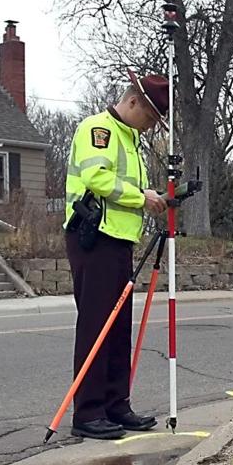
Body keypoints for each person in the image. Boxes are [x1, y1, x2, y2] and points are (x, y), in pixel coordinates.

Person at [63, 73, 171, 440]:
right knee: (97, 325)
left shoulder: (130, 139)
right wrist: (142, 197)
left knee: (118, 326)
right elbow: (98, 178)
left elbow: (123, 186)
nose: (153, 125)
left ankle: (115, 405)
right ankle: (88, 412)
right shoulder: (99, 130)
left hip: (120, 241)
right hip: (94, 238)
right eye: (152, 117)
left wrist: (147, 194)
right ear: (134, 102)